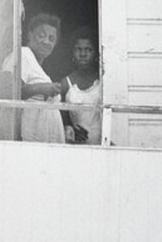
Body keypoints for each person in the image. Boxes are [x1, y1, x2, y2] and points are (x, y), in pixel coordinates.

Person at [18, 13, 67, 145]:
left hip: (44, 138)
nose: (46, 41)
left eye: (52, 39)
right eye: (41, 36)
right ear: (29, 35)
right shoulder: (23, 54)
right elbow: (10, 93)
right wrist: (41, 88)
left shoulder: (38, 67)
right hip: (30, 138)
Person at [61, 27, 101, 145]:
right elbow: (61, 118)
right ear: (72, 52)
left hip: (103, 145)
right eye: (78, 49)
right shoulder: (66, 83)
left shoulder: (103, 81)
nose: (83, 54)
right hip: (76, 146)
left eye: (88, 49)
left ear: (96, 53)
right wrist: (72, 130)